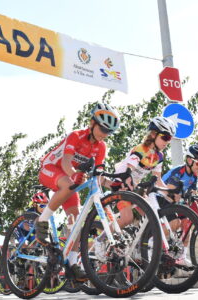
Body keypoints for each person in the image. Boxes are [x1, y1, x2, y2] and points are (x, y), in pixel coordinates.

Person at [35, 102, 120, 281]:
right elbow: (66, 162)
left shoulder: (101, 147)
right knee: (67, 184)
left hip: (69, 180)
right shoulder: (76, 136)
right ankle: (41, 220)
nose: (105, 134)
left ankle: (72, 264)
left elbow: (98, 175)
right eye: (103, 129)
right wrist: (74, 176)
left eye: (109, 132)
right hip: (51, 168)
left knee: (78, 221)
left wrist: (113, 184)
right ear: (92, 123)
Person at [112, 116, 175, 227]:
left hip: (135, 187)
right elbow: (129, 170)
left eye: (169, 139)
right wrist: (130, 184)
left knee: (152, 217)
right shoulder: (141, 149)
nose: (167, 142)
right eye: (165, 137)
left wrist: (169, 193)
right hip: (121, 183)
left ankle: (140, 242)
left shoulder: (159, 156)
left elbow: (158, 180)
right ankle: (100, 240)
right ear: (153, 134)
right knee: (127, 218)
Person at [161, 145, 198, 265]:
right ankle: (153, 241)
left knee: (187, 224)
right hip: (162, 197)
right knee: (175, 223)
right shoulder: (179, 171)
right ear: (189, 160)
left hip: (177, 200)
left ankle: (182, 257)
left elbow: (193, 196)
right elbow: (170, 192)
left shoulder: (194, 176)